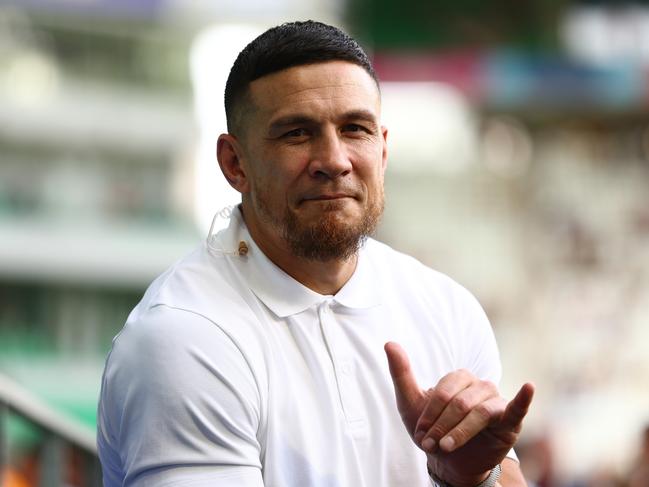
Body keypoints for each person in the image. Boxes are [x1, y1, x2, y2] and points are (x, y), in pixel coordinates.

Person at [97, 20, 535, 487]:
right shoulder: (183, 339)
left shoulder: (447, 309)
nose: (334, 160)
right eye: (297, 134)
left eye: (355, 129)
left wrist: (468, 479)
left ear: (382, 151)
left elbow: (498, 476)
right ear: (234, 163)